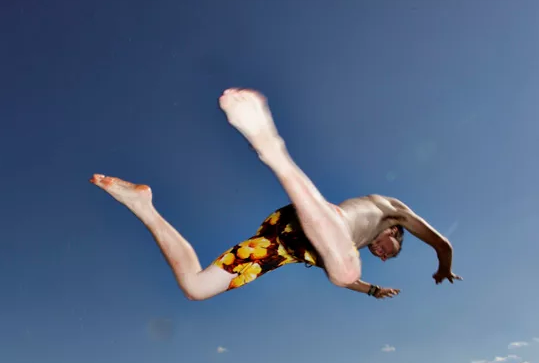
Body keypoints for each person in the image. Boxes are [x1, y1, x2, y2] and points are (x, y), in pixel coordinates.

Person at [90, 88, 461, 301]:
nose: (381, 254)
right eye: (389, 251)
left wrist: (372, 291)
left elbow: (350, 279)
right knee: (344, 267)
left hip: (273, 243)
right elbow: (443, 244)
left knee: (196, 287)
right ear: (395, 232)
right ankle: (272, 150)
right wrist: (443, 269)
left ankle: (144, 207)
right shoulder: (390, 211)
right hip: (321, 216)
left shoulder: (344, 253)